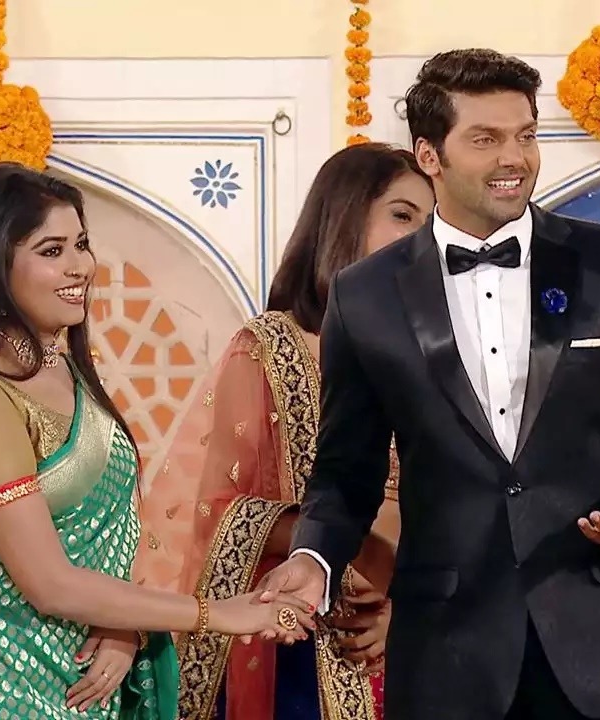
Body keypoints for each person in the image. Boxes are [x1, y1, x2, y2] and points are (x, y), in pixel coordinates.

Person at [254, 49, 600, 720]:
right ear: (430, 156)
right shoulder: (366, 294)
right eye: (486, 139)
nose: (515, 158)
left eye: (526, 135)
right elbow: (346, 474)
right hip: (445, 656)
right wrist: (314, 559)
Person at [0, 163, 314, 720]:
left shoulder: (65, 369)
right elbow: (49, 584)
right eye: (52, 250)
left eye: (82, 244)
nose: (80, 266)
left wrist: (126, 626)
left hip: (75, 669)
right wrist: (217, 614)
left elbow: (112, 535)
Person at [136, 142, 433, 720]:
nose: (421, 237)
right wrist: (339, 553)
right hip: (307, 645)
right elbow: (221, 511)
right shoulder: (274, 348)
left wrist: (407, 603)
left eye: (431, 222)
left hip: (421, 637)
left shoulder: (444, 356)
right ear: (344, 220)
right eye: (402, 215)